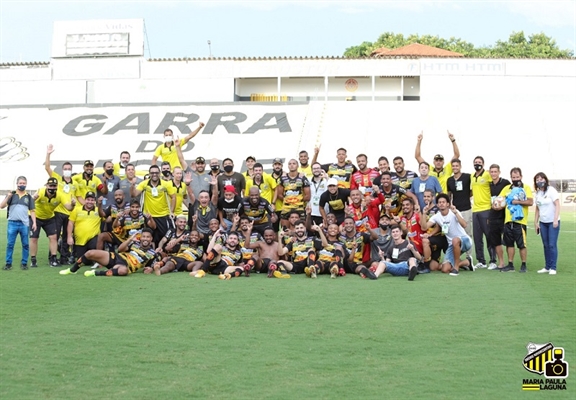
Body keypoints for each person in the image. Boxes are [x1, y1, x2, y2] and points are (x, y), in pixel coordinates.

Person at [61, 228, 158, 277]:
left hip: (126, 266)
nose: (145, 239)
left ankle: (96, 273)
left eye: (148, 237)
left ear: (151, 239)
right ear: (141, 237)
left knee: (122, 271)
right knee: (90, 253)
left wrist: (151, 269)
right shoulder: (134, 244)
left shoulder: (152, 253)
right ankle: (72, 270)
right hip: (116, 257)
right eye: (144, 236)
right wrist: (130, 240)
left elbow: (153, 265)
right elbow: (120, 249)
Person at [420, 193, 473, 276]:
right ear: (437, 205)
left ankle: (456, 268)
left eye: (443, 202)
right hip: (452, 244)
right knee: (445, 269)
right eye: (439, 202)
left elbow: (464, 225)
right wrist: (424, 214)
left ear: (448, 204)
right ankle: (467, 262)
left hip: (465, 240)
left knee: (455, 239)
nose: (441, 204)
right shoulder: (436, 216)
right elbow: (424, 227)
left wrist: (456, 213)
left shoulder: (454, 212)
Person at [45, 144, 77, 264]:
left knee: (66, 237)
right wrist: (48, 154)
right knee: (55, 235)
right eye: (66, 169)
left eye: (69, 169)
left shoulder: (75, 182)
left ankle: (64, 257)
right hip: (58, 211)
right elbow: (47, 167)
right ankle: (52, 257)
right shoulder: (57, 179)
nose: (67, 170)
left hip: (70, 212)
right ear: (63, 170)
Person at [496, 168, 534, 273]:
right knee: (509, 244)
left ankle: (523, 264)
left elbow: (530, 202)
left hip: (520, 221)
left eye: (517, 177)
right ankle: (510, 264)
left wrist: (516, 201)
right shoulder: (507, 188)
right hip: (508, 221)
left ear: (521, 177)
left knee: (522, 244)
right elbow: (500, 200)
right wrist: (497, 205)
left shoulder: (526, 188)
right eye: (513, 177)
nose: (515, 179)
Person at [31, 177, 74, 267]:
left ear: (57, 187)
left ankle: (53, 259)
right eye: (50, 185)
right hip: (36, 217)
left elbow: (69, 208)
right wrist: (33, 199)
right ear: (46, 186)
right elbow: (30, 204)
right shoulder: (41, 191)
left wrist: (73, 204)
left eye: (54, 186)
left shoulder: (60, 195)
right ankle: (33, 260)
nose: (52, 188)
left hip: (49, 217)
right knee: (34, 238)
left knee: (54, 237)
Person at [2, 176, 36, 270]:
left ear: (26, 184)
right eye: (20, 183)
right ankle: (8, 263)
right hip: (12, 223)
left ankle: (24, 263)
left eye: (24, 183)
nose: (22, 185)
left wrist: (34, 223)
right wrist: (8, 196)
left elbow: (32, 210)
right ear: (17, 184)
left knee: (25, 244)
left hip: (24, 224)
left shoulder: (28, 197)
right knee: (10, 244)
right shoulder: (12, 195)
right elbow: (1, 206)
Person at [533, 172, 560, 275]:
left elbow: (557, 205)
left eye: (541, 179)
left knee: (552, 244)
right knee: (545, 245)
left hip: (552, 222)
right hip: (543, 222)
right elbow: (537, 208)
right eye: (537, 180)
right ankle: (547, 266)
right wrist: (536, 222)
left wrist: (555, 219)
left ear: (545, 179)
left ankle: (553, 267)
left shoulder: (552, 191)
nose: (540, 181)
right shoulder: (538, 193)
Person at [471, 156, 493, 269]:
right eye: (475, 162)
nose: (477, 164)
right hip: (475, 210)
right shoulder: (472, 176)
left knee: (489, 235)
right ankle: (481, 260)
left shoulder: (487, 174)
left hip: (486, 209)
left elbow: (493, 185)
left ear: (483, 164)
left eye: (479, 162)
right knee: (477, 237)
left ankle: (493, 260)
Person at [487, 164, 510, 269]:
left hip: (504, 217)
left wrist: (502, 205)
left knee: (508, 240)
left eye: (495, 171)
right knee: (496, 241)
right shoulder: (489, 185)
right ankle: (501, 263)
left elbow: (510, 197)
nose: (493, 174)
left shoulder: (506, 183)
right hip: (493, 217)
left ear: (499, 172)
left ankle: (510, 262)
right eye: (491, 172)